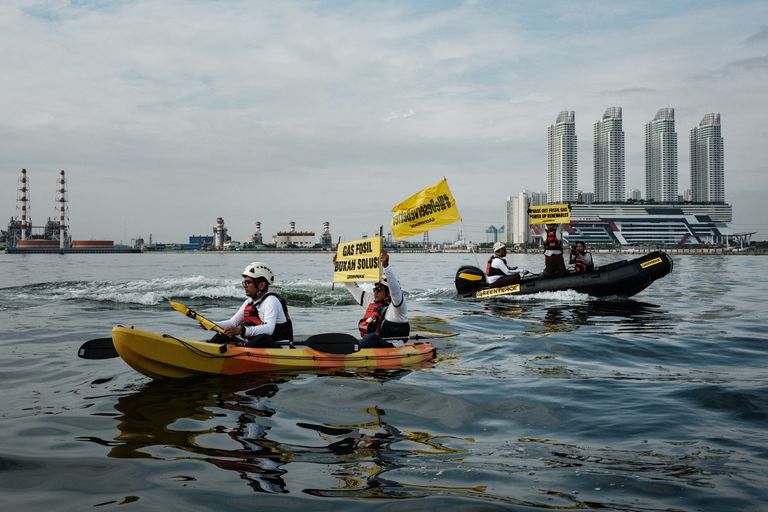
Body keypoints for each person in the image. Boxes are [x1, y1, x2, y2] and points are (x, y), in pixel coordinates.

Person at [336, 250, 409, 348]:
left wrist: (386, 266)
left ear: (388, 293)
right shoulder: (372, 302)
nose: (375, 292)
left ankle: (351, 351)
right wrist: (340, 267)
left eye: (379, 289)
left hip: (393, 348)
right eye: (375, 289)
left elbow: (395, 290)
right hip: (374, 347)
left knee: (372, 338)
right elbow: (353, 288)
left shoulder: (398, 308)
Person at [215, 262, 293, 348]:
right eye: (244, 283)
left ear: (261, 285)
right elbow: (233, 323)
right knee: (223, 334)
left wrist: (242, 330)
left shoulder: (271, 301)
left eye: (248, 283)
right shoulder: (249, 302)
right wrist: (211, 324)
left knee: (262, 337)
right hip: (259, 346)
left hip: (279, 348)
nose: (245, 286)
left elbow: (269, 329)